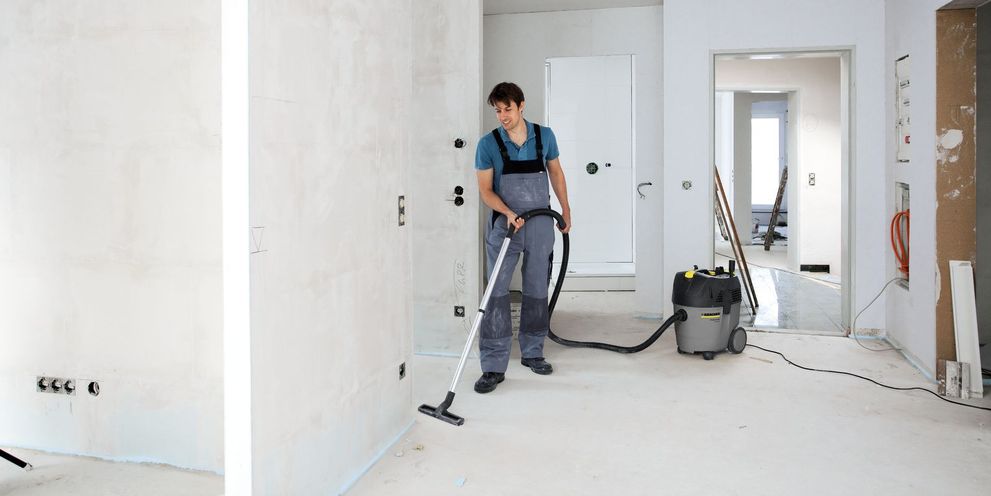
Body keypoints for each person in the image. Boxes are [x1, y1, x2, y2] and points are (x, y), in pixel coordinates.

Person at [472, 82, 572, 394]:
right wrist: (507, 211)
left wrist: (565, 210)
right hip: (506, 224)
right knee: (497, 292)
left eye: (508, 109)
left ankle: (533, 351)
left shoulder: (545, 136)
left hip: (541, 221)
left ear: (521, 105)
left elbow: (555, 173)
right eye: (498, 111)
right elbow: (485, 190)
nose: (502, 116)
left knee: (536, 286)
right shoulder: (487, 145)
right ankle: (492, 364)